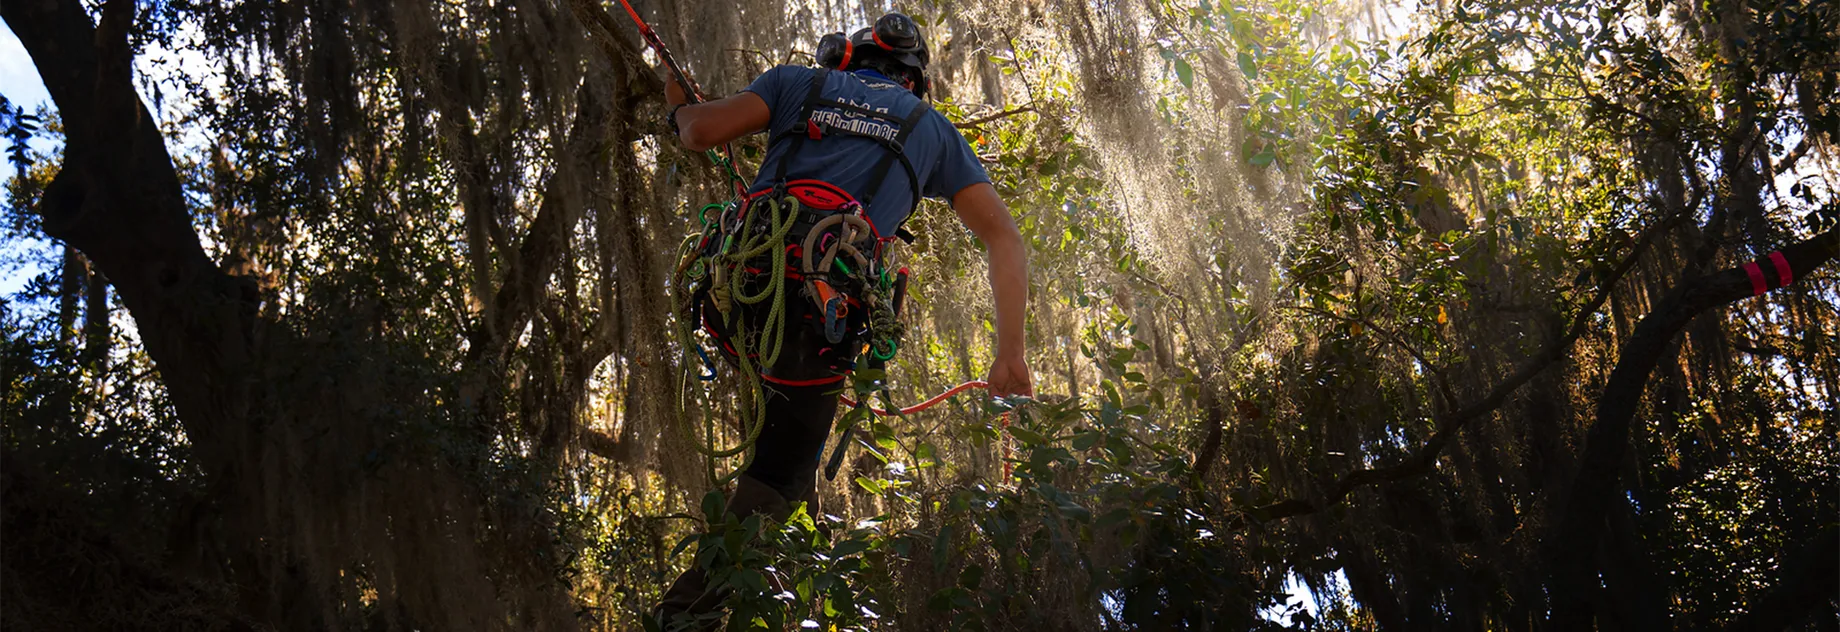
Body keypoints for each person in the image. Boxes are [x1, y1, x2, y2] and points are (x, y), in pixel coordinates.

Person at [652, 11, 1032, 629]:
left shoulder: (796, 84)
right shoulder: (929, 127)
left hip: (742, 292)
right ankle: (683, 617)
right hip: (819, 316)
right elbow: (1004, 238)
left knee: (792, 479)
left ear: (845, 61)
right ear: (915, 82)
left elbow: (699, 131)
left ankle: (785, 580)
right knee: (783, 473)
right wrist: (1010, 351)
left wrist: (678, 106)